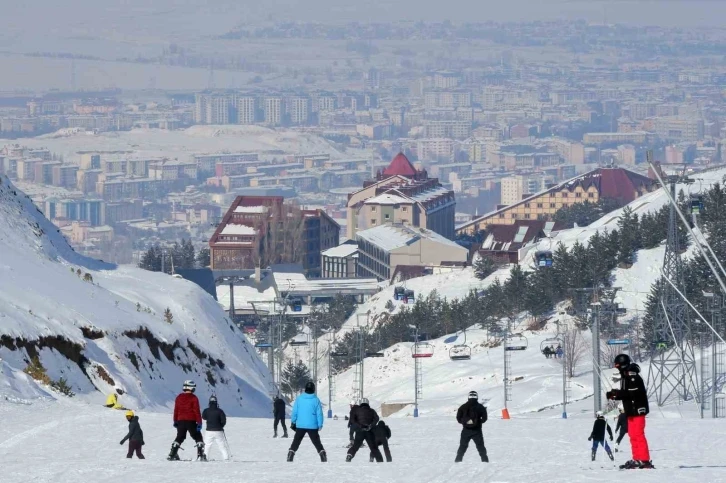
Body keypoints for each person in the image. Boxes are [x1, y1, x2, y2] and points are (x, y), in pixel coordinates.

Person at [606, 353, 654, 470]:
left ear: (622, 365)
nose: (616, 368)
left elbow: (632, 393)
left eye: (618, 366)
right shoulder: (625, 376)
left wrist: (616, 394)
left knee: (638, 434)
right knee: (632, 435)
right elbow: (626, 393)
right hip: (630, 411)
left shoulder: (632, 376)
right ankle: (637, 458)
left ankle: (644, 460)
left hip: (637, 410)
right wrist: (614, 395)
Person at [287, 381, 327, 462]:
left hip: (300, 424)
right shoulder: (316, 400)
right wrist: (320, 424)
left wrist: (293, 421)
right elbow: (319, 413)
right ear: (313, 389)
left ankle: (291, 453)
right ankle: (322, 454)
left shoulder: (299, 399)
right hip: (312, 425)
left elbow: (294, 412)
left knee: (296, 440)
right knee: (316, 441)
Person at [168, 380, 206, 461]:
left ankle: (172, 454)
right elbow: (196, 411)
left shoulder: (179, 397)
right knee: (197, 436)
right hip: (191, 421)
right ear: (191, 387)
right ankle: (201, 455)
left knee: (180, 437)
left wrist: (175, 420)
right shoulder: (194, 398)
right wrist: (199, 422)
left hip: (180, 420)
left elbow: (176, 410)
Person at [455, 391, 489, 462]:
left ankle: (458, 460)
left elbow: (458, 418)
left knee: (462, 446)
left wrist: (465, 423)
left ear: (468, 397)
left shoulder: (463, 406)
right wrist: (479, 422)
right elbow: (485, 418)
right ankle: (485, 461)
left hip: (466, 430)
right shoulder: (480, 407)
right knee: (480, 447)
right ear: (476, 397)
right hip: (477, 430)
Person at [346, 398, 384, 462]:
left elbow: (352, 420)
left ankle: (350, 455)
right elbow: (376, 418)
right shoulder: (372, 410)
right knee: (373, 447)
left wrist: (359, 425)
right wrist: (371, 425)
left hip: (359, 431)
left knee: (356, 446)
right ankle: (380, 460)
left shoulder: (356, 410)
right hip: (369, 431)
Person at [203, 395, 231, 461]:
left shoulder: (206, 410)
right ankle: (226, 458)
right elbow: (223, 420)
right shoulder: (220, 411)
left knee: (207, 445)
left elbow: (204, 417)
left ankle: (205, 457)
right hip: (219, 430)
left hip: (209, 430)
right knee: (222, 446)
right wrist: (221, 426)